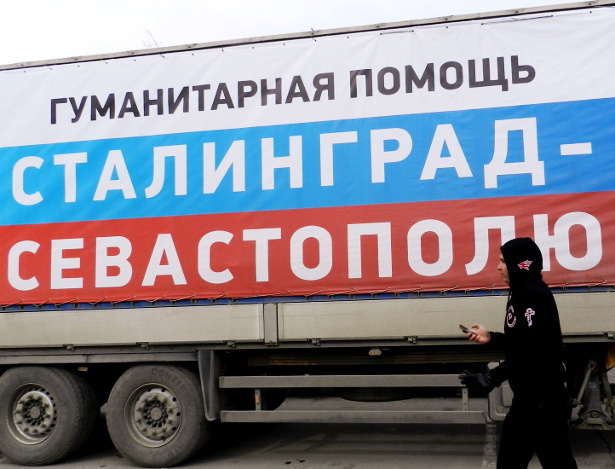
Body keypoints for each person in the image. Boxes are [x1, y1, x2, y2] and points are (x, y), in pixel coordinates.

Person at [459, 237, 577, 469]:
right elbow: (523, 341)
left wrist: (491, 377)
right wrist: (490, 337)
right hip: (532, 400)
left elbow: (531, 352)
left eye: (503, 261)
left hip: (542, 403)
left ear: (520, 265)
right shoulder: (523, 292)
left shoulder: (533, 296)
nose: (498, 267)